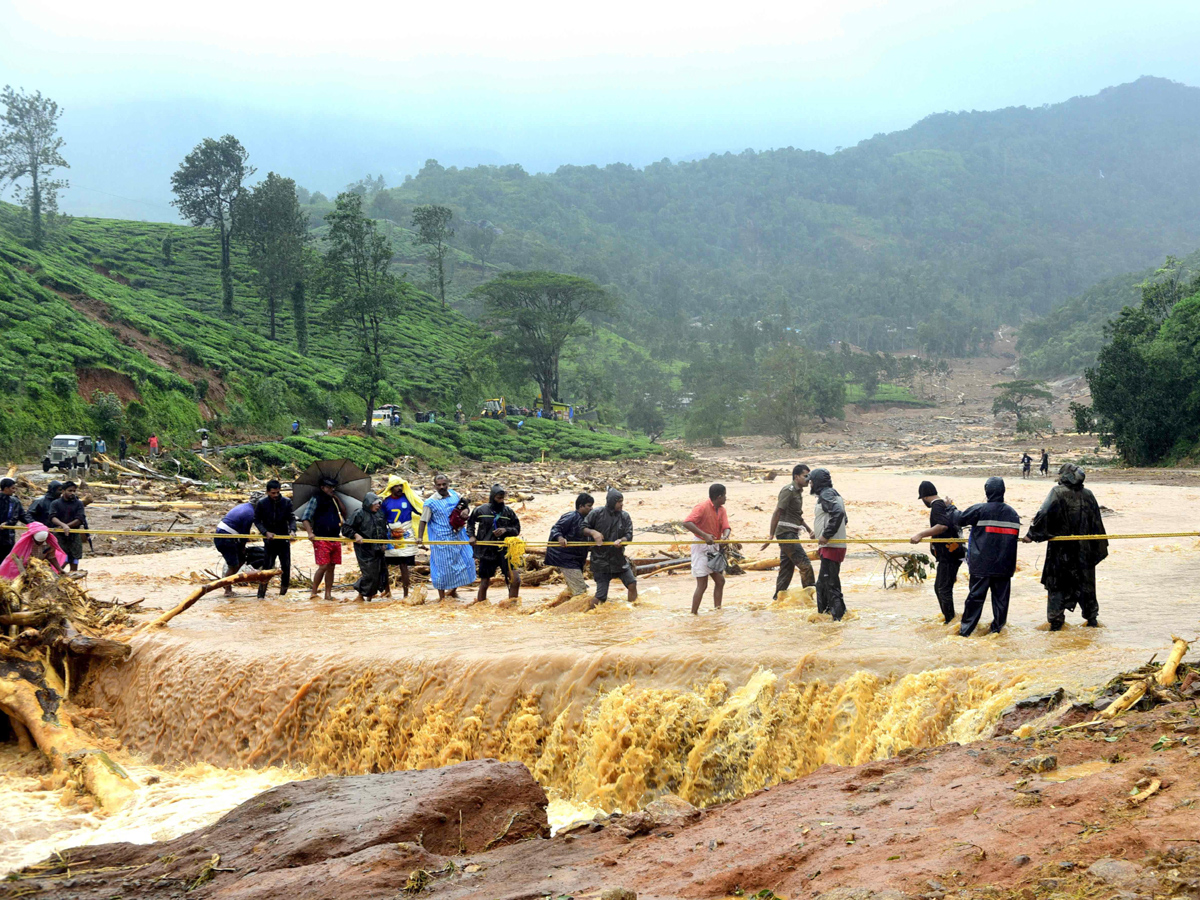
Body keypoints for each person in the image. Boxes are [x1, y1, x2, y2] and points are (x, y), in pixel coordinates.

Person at [1023, 463, 1108, 630]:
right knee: (1086, 587)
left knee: (1057, 586)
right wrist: (1094, 551)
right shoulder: (1088, 495)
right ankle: (1092, 623)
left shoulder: (1057, 492)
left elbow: (1044, 514)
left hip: (1061, 553)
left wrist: (1031, 535)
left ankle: (1056, 627)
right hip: (1084, 553)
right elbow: (1097, 524)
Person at [946, 476, 1020, 637]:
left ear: (987, 491)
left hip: (982, 565)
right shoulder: (1013, 513)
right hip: (1004, 566)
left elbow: (958, 519)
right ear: (1003, 491)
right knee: (1001, 601)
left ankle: (965, 632)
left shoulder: (980, 510)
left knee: (975, 599)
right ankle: (997, 632)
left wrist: (950, 507)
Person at [910, 481, 966, 624]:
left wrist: (920, 534)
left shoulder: (936, 506)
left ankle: (950, 621)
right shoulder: (945, 505)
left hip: (949, 555)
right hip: (954, 552)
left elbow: (942, 526)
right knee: (940, 587)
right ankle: (951, 620)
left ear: (924, 497)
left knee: (943, 589)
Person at [417, 474, 477, 600]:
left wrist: (466, 510)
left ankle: (453, 591)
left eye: (444, 484)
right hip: (441, 540)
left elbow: (464, 505)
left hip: (459, 536)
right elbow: (423, 520)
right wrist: (420, 538)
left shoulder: (454, 495)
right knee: (442, 569)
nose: (442, 487)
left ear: (448, 483)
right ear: (434, 486)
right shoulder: (430, 503)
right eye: (439, 485)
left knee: (467, 562)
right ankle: (442, 597)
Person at [761, 464, 815, 600]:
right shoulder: (788, 490)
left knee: (786, 570)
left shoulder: (798, 492)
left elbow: (796, 515)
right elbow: (777, 512)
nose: (808, 479)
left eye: (809, 476)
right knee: (805, 566)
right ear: (796, 477)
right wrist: (771, 535)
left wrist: (809, 530)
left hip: (791, 532)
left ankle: (778, 600)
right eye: (805, 476)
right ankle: (810, 599)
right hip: (786, 534)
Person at [467, 484, 522, 604]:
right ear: (492, 497)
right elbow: (470, 524)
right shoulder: (481, 510)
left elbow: (517, 529)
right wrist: (471, 536)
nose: (501, 501)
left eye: (503, 498)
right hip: (487, 550)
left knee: (515, 579)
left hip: (506, 550)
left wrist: (506, 530)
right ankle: (480, 606)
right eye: (498, 498)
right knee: (485, 582)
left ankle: (512, 606)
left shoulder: (508, 512)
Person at [584, 488, 637, 607]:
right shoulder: (596, 513)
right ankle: (587, 615)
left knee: (632, 584)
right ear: (612, 502)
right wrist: (593, 533)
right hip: (600, 561)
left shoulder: (625, 516)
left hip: (618, 559)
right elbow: (583, 527)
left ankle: (632, 610)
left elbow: (629, 535)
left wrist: (622, 540)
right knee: (601, 596)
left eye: (622, 501)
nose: (621, 504)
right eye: (619, 502)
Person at [683, 483, 731, 614]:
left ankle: (717, 610)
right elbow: (687, 522)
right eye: (725, 495)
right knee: (702, 584)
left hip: (714, 547)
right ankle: (693, 613)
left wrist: (725, 537)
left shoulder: (722, 510)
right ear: (719, 496)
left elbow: (726, 526)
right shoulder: (702, 507)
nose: (726, 498)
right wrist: (704, 535)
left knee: (720, 581)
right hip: (701, 546)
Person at [808, 468, 848, 620]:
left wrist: (825, 534)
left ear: (817, 482)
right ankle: (825, 616)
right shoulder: (833, 494)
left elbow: (838, 514)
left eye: (811, 481)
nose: (810, 484)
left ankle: (838, 621)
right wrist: (818, 532)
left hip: (832, 547)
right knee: (823, 585)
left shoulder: (826, 495)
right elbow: (844, 519)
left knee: (830, 586)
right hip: (831, 546)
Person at [299, 477, 347, 602]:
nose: (332, 489)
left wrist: (336, 498)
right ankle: (314, 592)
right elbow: (305, 518)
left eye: (333, 487)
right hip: (321, 537)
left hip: (335, 537)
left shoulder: (334, 500)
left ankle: (328, 594)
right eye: (329, 487)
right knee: (323, 566)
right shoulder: (316, 499)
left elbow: (344, 512)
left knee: (332, 566)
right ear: (322, 488)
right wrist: (310, 533)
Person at [545, 493, 603, 597]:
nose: (591, 508)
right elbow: (556, 528)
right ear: (581, 506)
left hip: (577, 559)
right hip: (565, 557)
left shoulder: (587, 521)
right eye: (589, 506)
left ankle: (562, 609)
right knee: (581, 591)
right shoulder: (571, 516)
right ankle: (580, 611)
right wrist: (560, 538)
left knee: (573, 590)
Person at [381, 474, 422, 599]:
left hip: (406, 534)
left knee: (404, 565)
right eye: (396, 486)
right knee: (385, 564)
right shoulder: (385, 502)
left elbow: (421, 511)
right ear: (391, 488)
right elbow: (381, 520)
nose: (399, 488)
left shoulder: (409, 499)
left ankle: (405, 594)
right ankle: (387, 591)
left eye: (400, 486)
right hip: (391, 535)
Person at [254, 479, 296, 598]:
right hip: (269, 541)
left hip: (284, 539)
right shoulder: (262, 503)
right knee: (267, 568)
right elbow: (256, 520)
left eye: (277, 492)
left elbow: (291, 518)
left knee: (286, 567)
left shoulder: (286, 502)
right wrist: (265, 532)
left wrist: (292, 530)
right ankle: (261, 595)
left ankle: (283, 594)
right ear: (267, 492)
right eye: (273, 493)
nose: (276, 495)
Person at [343, 492, 388, 602]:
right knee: (369, 574)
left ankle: (369, 599)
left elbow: (383, 530)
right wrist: (356, 535)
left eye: (379, 503)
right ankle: (360, 594)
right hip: (364, 550)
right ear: (369, 503)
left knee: (380, 573)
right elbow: (346, 528)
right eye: (376, 503)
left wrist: (384, 543)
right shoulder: (359, 513)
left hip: (378, 549)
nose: (378, 505)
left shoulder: (379, 514)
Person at [214, 498, 256, 596]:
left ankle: (227, 582)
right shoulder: (250, 513)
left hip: (226, 535)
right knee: (233, 564)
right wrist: (242, 547)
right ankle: (227, 590)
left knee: (241, 560)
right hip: (225, 537)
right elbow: (244, 535)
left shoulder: (246, 507)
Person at [0, 522, 66, 579]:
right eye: (38, 542)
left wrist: (59, 569)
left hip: (40, 567)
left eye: (42, 542)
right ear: (33, 538)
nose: (40, 544)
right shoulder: (25, 544)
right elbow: (16, 558)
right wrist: (23, 572)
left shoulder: (49, 544)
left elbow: (51, 556)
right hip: (26, 568)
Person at [49, 481, 88, 572]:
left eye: (74, 491)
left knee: (75, 558)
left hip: (74, 535)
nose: (72, 493)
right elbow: (52, 517)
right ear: (63, 491)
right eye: (69, 490)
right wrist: (63, 526)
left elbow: (80, 518)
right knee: (60, 559)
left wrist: (67, 526)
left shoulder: (78, 503)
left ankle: (72, 580)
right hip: (59, 535)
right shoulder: (55, 503)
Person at [1, 477, 31, 560]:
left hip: (9, 536)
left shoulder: (15, 501)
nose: (14, 491)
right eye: (12, 488)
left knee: (8, 558)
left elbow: (23, 515)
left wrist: (34, 524)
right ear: (6, 488)